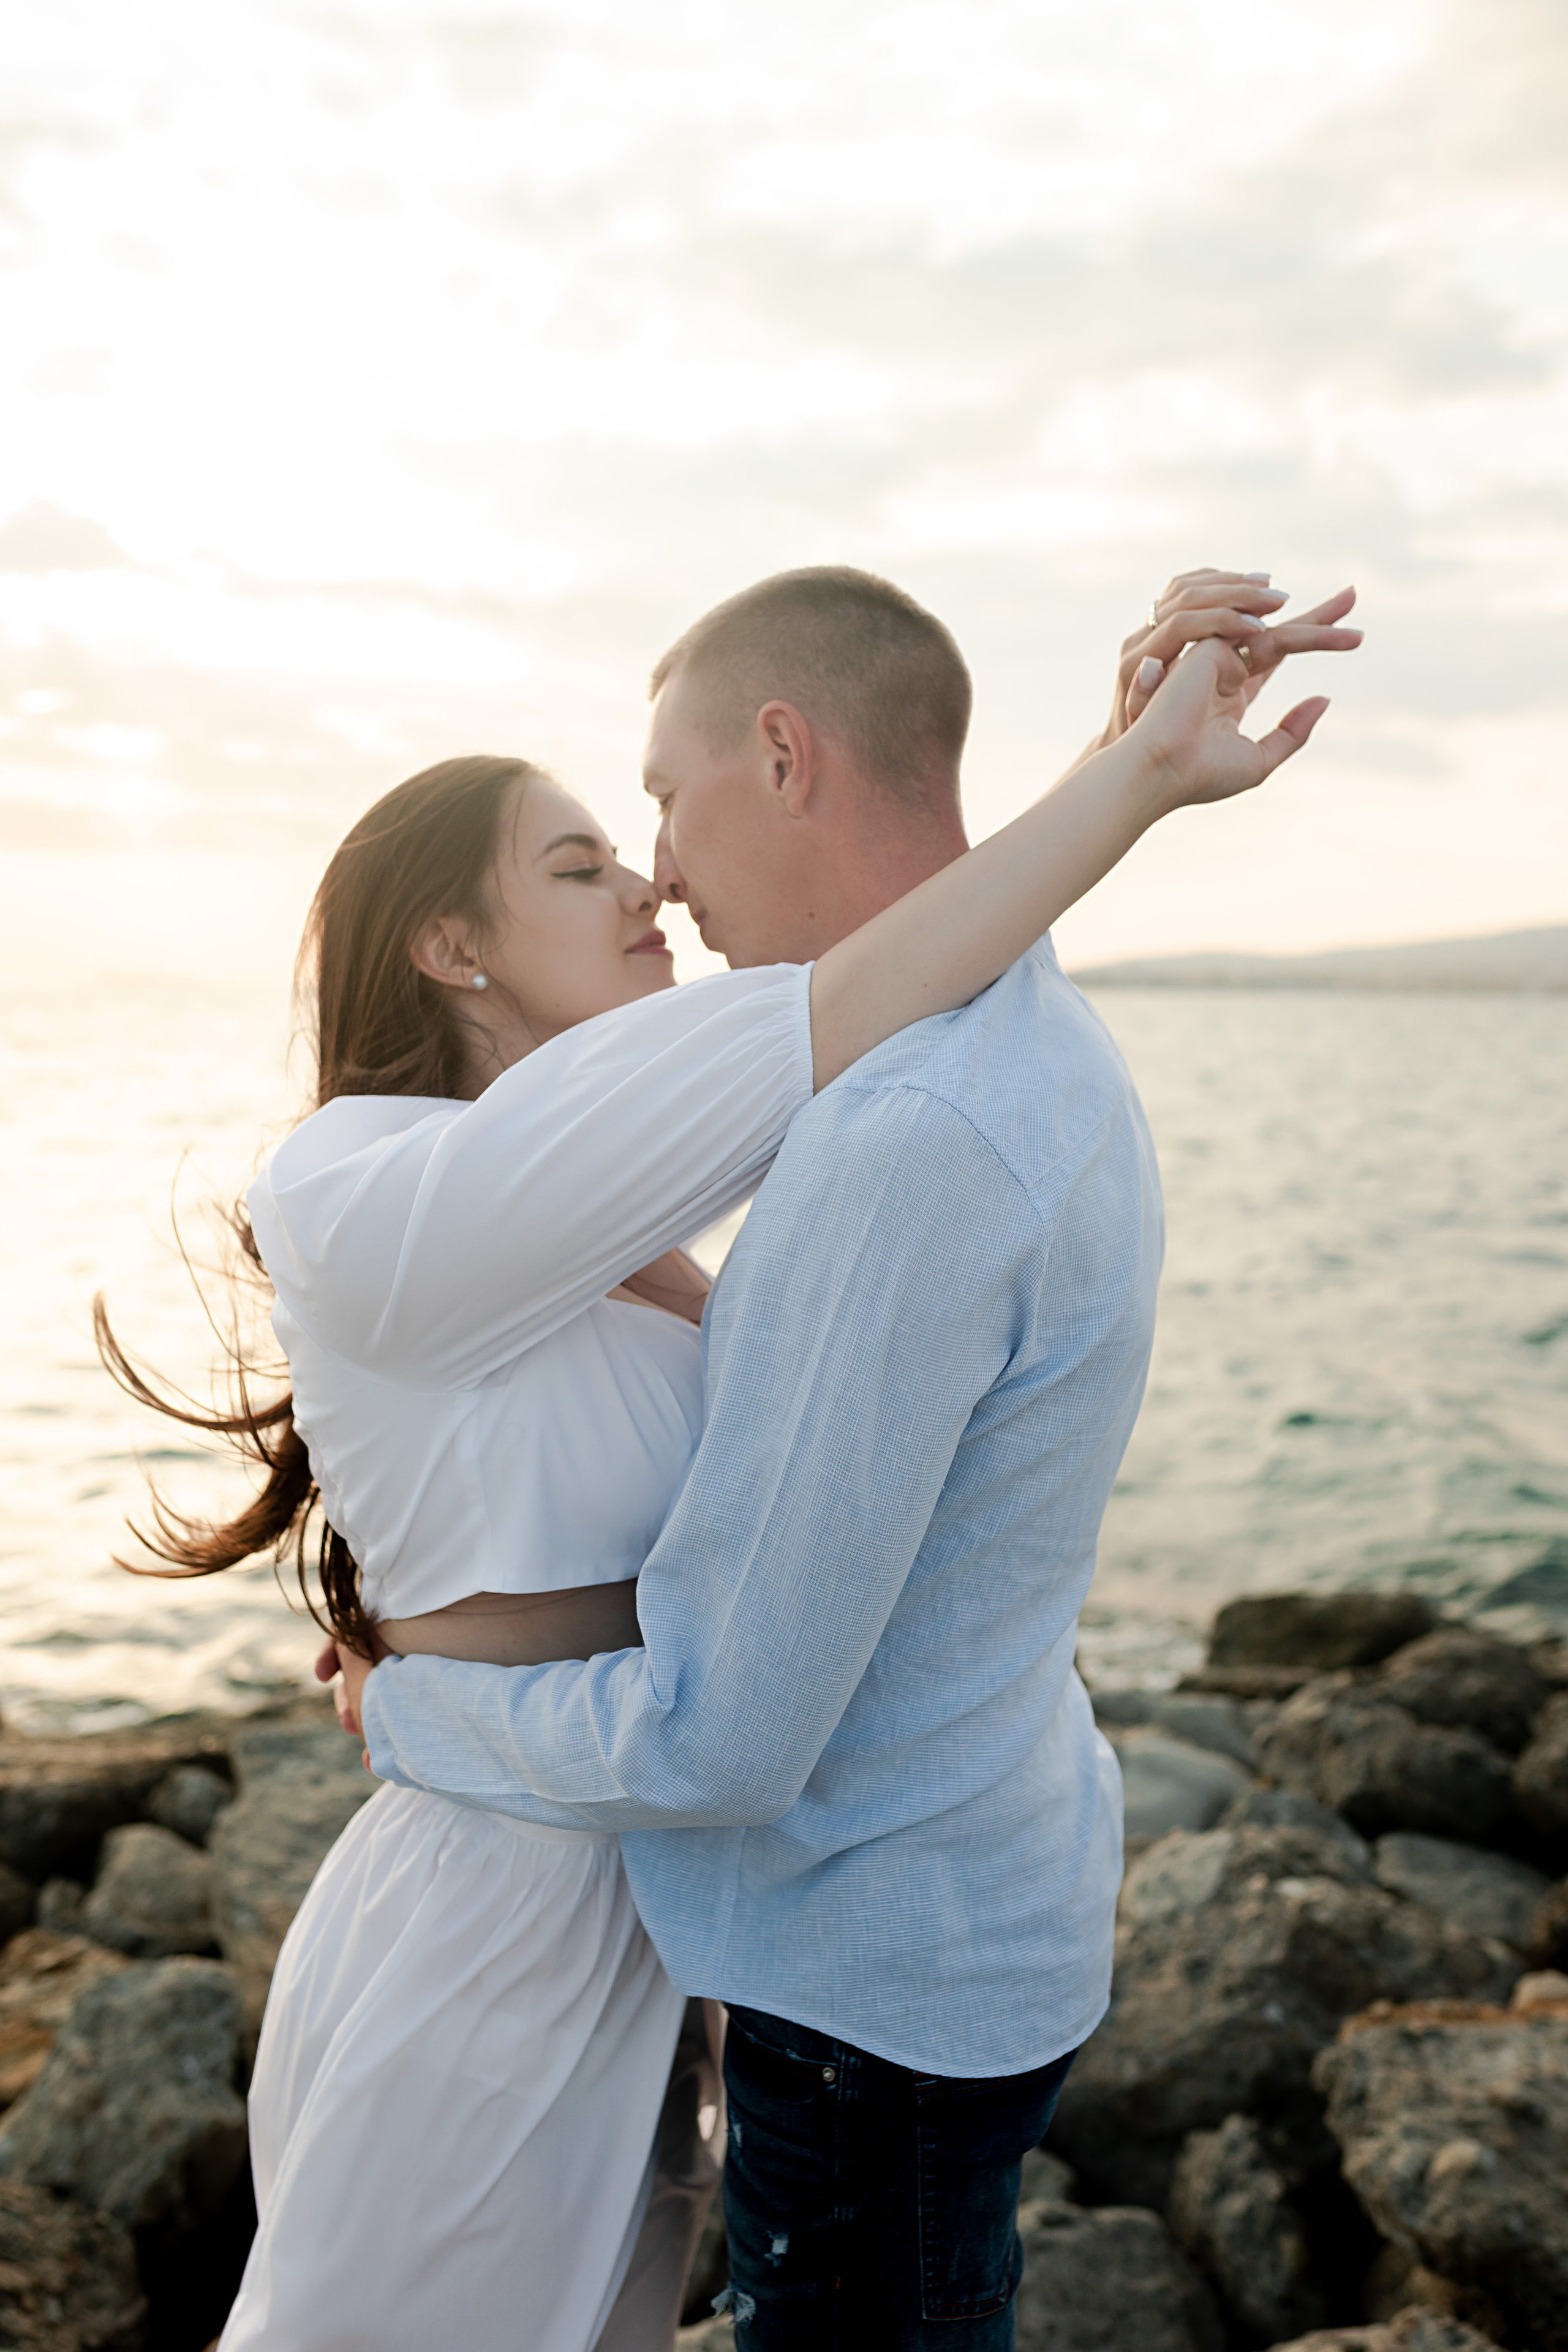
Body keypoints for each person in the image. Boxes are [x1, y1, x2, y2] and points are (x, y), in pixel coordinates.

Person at [306, 564, 1362, 2349]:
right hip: (940, 1928)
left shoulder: (903, 1139)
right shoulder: (1002, 1035)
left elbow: (724, 1731)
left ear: (782, 755)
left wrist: (401, 1706)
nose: (660, 870)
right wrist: (1117, 767)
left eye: (658, 799)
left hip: (876, 1989)